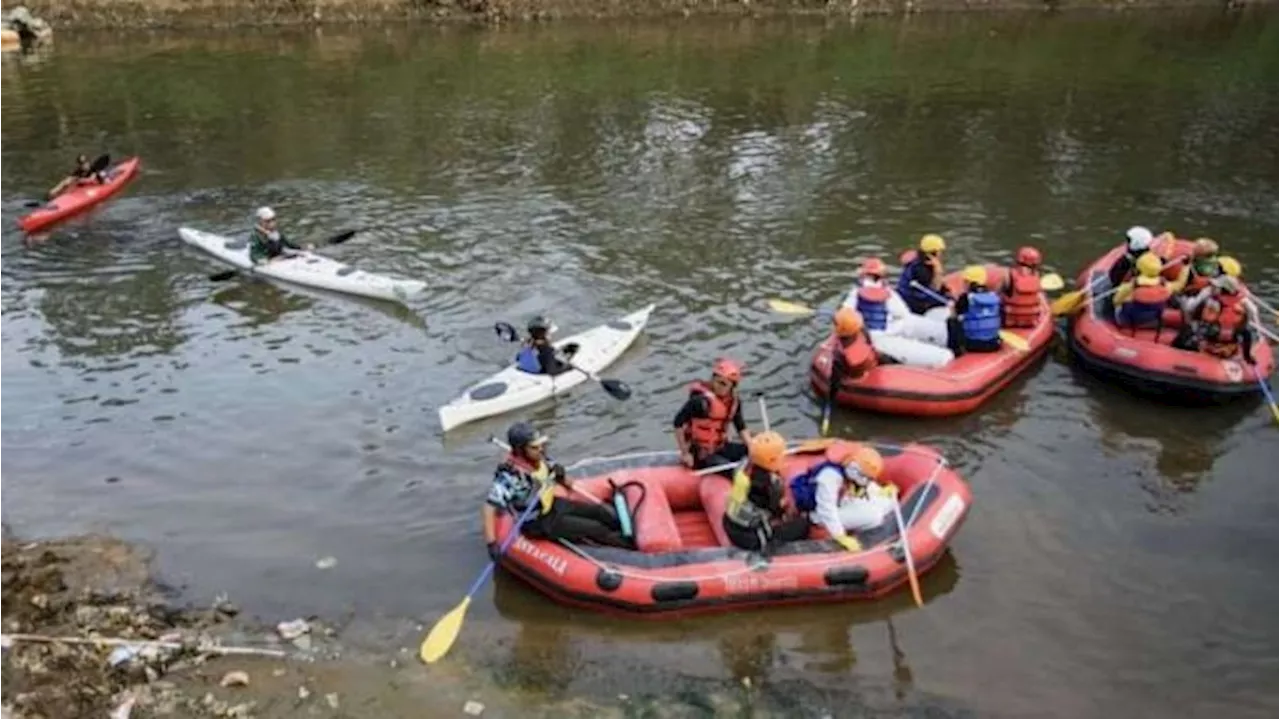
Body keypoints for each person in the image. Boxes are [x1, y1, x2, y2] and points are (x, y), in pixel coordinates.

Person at [483, 422, 630, 551]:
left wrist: (561, 476)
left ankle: (627, 529)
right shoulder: (511, 477)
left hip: (553, 506)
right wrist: (492, 543)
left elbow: (567, 482)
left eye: (542, 445)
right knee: (595, 528)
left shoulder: (541, 459)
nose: (541, 449)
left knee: (599, 512)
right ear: (521, 450)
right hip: (538, 521)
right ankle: (628, 546)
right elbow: (489, 507)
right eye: (535, 447)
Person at [841, 258, 953, 367]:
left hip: (887, 331)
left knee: (935, 336)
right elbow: (903, 313)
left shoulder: (855, 295)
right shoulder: (886, 293)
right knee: (945, 356)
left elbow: (845, 314)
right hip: (884, 337)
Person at [790, 442, 898, 551]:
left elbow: (867, 484)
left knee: (886, 503)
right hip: (818, 515)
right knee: (874, 517)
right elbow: (826, 510)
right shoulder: (830, 477)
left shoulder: (849, 467)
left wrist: (881, 491)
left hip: (840, 501)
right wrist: (840, 536)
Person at [721, 431, 810, 552]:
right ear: (772, 459)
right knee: (803, 524)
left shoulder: (743, 466)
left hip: (728, 523)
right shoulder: (769, 484)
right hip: (749, 537)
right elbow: (777, 512)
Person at [673, 358, 752, 473]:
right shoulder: (701, 402)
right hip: (700, 453)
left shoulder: (734, 402)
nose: (717, 386)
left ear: (732, 387)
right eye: (715, 380)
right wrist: (685, 453)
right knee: (731, 471)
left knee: (754, 453)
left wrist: (752, 448)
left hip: (720, 447)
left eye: (723, 384)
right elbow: (677, 423)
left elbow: (740, 427)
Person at [1174, 275, 1260, 363]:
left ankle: (1179, 350)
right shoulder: (1243, 301)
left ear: (1223, 289)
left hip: (1214, 333)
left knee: (1190, 328)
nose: (1215, 287)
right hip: (1232, 335)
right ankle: (1247, 356)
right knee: (1247, 332)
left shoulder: (1214, 301)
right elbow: (1254, 311)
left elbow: (1199, 314)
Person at [947, 265, 1003, 354]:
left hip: (972, 345)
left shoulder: (966, 298)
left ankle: (955, 350)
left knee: (951, 320)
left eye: (965, 282)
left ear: (969, 283)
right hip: (993, 344)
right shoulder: (994, 297)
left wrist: (952, 308)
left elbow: (956, 315)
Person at [1112, 252, 1173, 331]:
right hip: (1153, 318)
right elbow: (1176, 287)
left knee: (1120, 303)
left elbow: (1115, 301)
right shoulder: (1165, 285)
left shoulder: (1131, 285)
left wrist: (1125, 283)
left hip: (1128, 320)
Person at [897, 234, 951, 317]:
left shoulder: (919, 263)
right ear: (933, 253)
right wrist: (938, 271)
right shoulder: (921, 270)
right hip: (914, 303)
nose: (942, 254)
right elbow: (933, 290)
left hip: (910, 296)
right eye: (940, 252)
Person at [248, 207, 313, 264]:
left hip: (280, 256)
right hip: (268, 258)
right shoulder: (256, 236)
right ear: (260, 221)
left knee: (300, 253)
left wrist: (302, 247)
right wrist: (262, 260)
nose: (271, 223)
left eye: (273, 219)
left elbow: (289, 243)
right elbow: (254, 253)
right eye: (267, 221)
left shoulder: (276, 233)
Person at [1001, 246, 1044, 329]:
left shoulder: (1009, 275)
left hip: (1011, 320)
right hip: (1031, 320)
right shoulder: (1037, 275)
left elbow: (1001, 291)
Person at [830, 308, 877, 382]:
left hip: (855, 375)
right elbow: (871, 345)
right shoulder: (863, 331)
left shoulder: (839, 352)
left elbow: (835, 376)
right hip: (872, 363)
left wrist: (832, 392)